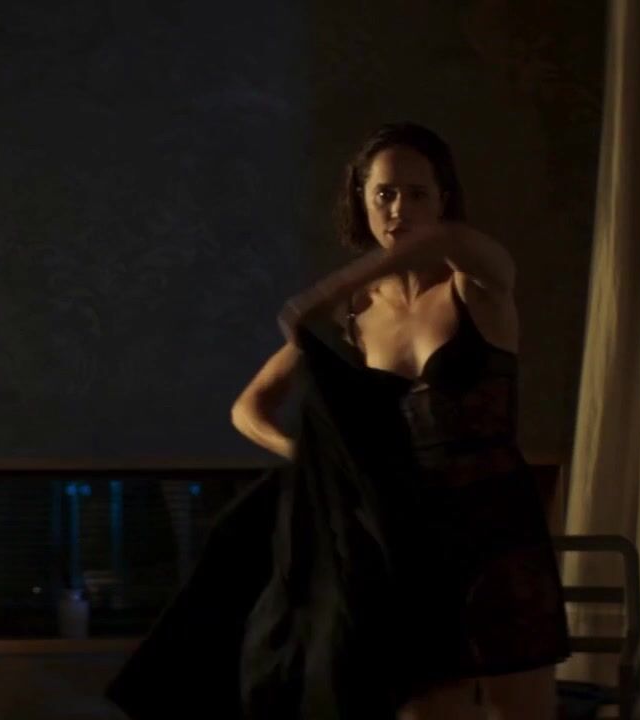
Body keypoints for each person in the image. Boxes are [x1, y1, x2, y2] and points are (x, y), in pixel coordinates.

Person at [237, 122, 569, 718]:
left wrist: (328, 289)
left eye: (417, 193)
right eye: (385, 194)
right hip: (409, 542)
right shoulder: (354, 316)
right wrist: (318, 461)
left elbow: (456, 241)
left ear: (443, 199)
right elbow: (249, 408)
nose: (399, 208)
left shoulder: (477, 285)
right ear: (362, 202)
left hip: (499, 533)